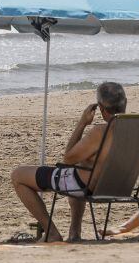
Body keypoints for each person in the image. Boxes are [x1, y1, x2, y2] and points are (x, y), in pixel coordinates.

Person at [10, 82, 128, 242]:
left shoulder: (100, 132)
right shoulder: (137, 130)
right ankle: (74, 233)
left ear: (101, 108)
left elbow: (68, 158)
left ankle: (51, 232)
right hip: (120, 186)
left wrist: (82, 123)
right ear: (124, 103)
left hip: (88, 187)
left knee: (18, 175)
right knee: (82, 166)